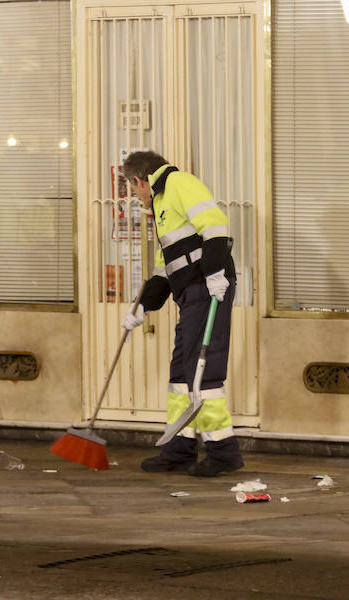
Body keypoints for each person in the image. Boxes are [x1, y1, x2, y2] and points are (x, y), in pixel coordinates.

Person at [121, 150, 244, 477]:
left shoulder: (178, 183)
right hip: (191, 293)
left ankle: (223, 451)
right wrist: (143, 307)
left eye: (133, 188)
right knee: (181, 373)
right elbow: (165, 269)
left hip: (208, 288)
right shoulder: (161, 205)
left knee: (203, 370)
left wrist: (215, 274)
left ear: (140, 180)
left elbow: (215, 226)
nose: (136, 196)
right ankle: (179, 448)